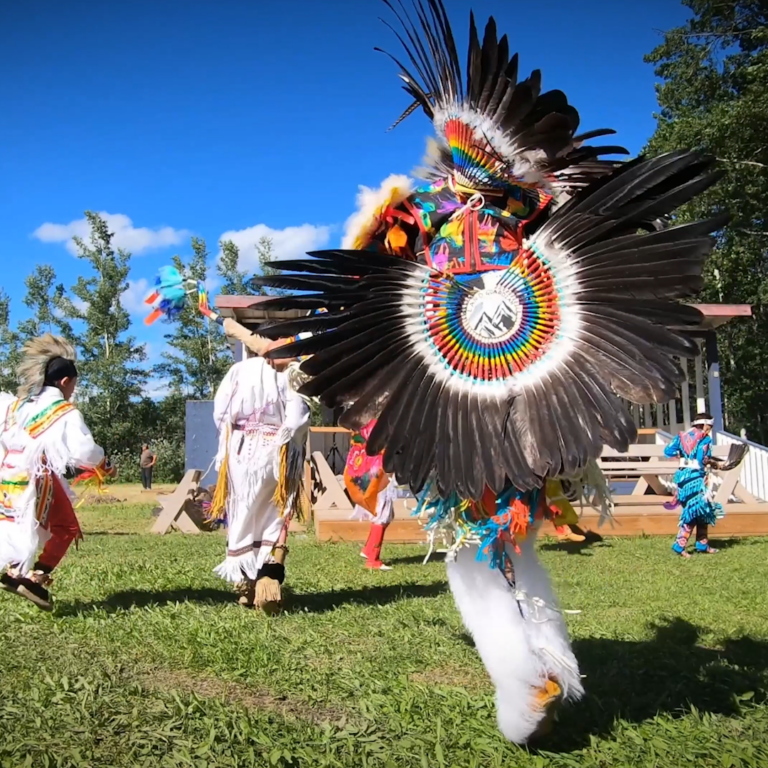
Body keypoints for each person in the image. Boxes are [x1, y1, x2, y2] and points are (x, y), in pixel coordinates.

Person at [249, 0, 724, 744]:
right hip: (535, 407)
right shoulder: (534, 238)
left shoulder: (435, 240)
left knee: (474, 557)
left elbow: (370, 307)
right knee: (513, 541)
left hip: (452, 411)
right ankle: (552, 663)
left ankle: (522, 681)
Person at [0, 334, 114, 611]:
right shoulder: (62, 410)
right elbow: (83, 451)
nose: (73, 391)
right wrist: (103, 464)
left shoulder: (16, 405)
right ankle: (34, 578)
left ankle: (18, 572)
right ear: (65, 382)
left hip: (8, 474)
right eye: (73, 385)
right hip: (36, 477)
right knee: (65, 528)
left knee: (16, 525)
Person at [210, 344, 310, 614]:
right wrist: (288, 444)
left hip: (240, 452)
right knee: (275, 518)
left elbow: (220, 413)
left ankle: (245, 585)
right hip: (274, 452)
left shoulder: (238, 370)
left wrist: (231, 442)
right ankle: (268, 582)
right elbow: (298, 417)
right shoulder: (291, 372)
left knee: (241, 514)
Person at [664, 413, 723, 557]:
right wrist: (713, 463)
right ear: (703, 424)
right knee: (693, 512)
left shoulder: (681, 436)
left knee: (702, 511)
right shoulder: (705, 439)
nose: (710, 429)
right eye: (709, 426)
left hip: (683, 479)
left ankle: (702, 545)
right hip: (696, 480)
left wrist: (682, 457)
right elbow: (701, 459)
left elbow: (667, 451)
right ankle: (679, 546)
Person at [345, 419, 396, 570]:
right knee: (382, 512)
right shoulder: (380, 418)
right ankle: (373, 559)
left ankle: (368, 550)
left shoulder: (361, 416)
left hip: (362, 466)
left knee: (384, 511)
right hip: (376, 468)